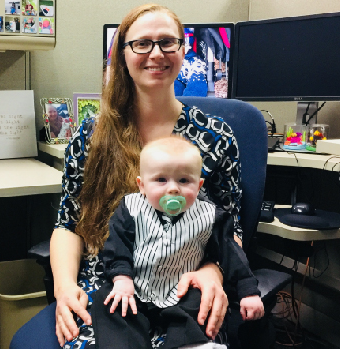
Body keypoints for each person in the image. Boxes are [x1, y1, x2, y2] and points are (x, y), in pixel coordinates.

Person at [11, 4, 244, 349]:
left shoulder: (216, 136)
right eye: (141, 44)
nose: (156, 54)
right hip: (109, 283)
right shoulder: (92, 134)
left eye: (167, 42)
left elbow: (229, 227)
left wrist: (214, 272)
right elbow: (68, 224)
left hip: (185, 285)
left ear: (182, 50)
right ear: (122, 55)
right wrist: (63, 287)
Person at [94, 136, 263, 348]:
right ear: (142, 185)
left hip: (182, 291)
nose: (173, 189)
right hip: (136, 286)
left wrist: (248, 291)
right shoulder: (130, 208)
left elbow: (232, 255)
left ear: (199, 184)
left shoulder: (210, 216)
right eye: (161, 180)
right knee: (108, 300)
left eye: (184, 181)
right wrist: (121, 279)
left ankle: (190, 343)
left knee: (202, 301)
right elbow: (116, 247)